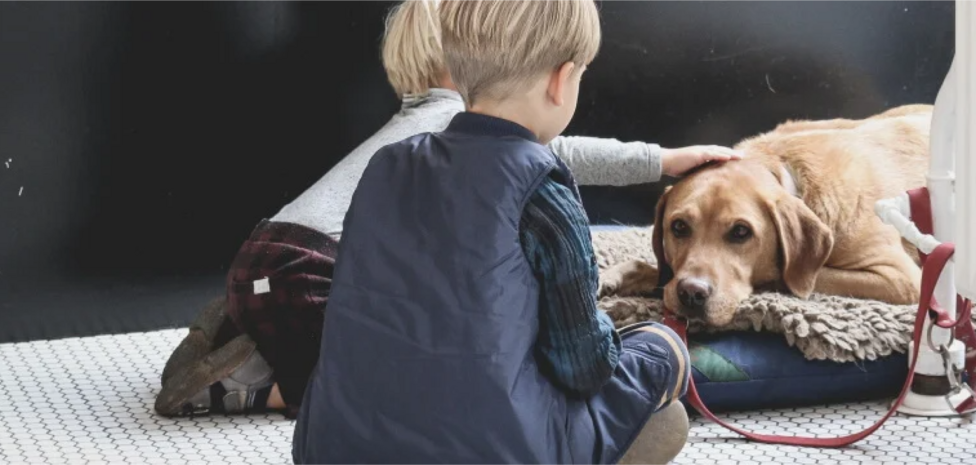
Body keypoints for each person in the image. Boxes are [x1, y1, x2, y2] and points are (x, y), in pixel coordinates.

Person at [154, 0, 735, 424]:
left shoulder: (411, 129)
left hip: (269, 257)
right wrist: (661, 159)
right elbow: (562, 153)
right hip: (310, 267)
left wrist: (664, 160)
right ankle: (246, 388)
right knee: (365, 382)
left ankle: (243, 328)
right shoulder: (458, 127)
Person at [287, 0, 699, 463]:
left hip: (335, 445)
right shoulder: (543, 188)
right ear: (562, 81)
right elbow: (584, 367)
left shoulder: (388, 165)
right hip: (494, 449)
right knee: (659, 353)